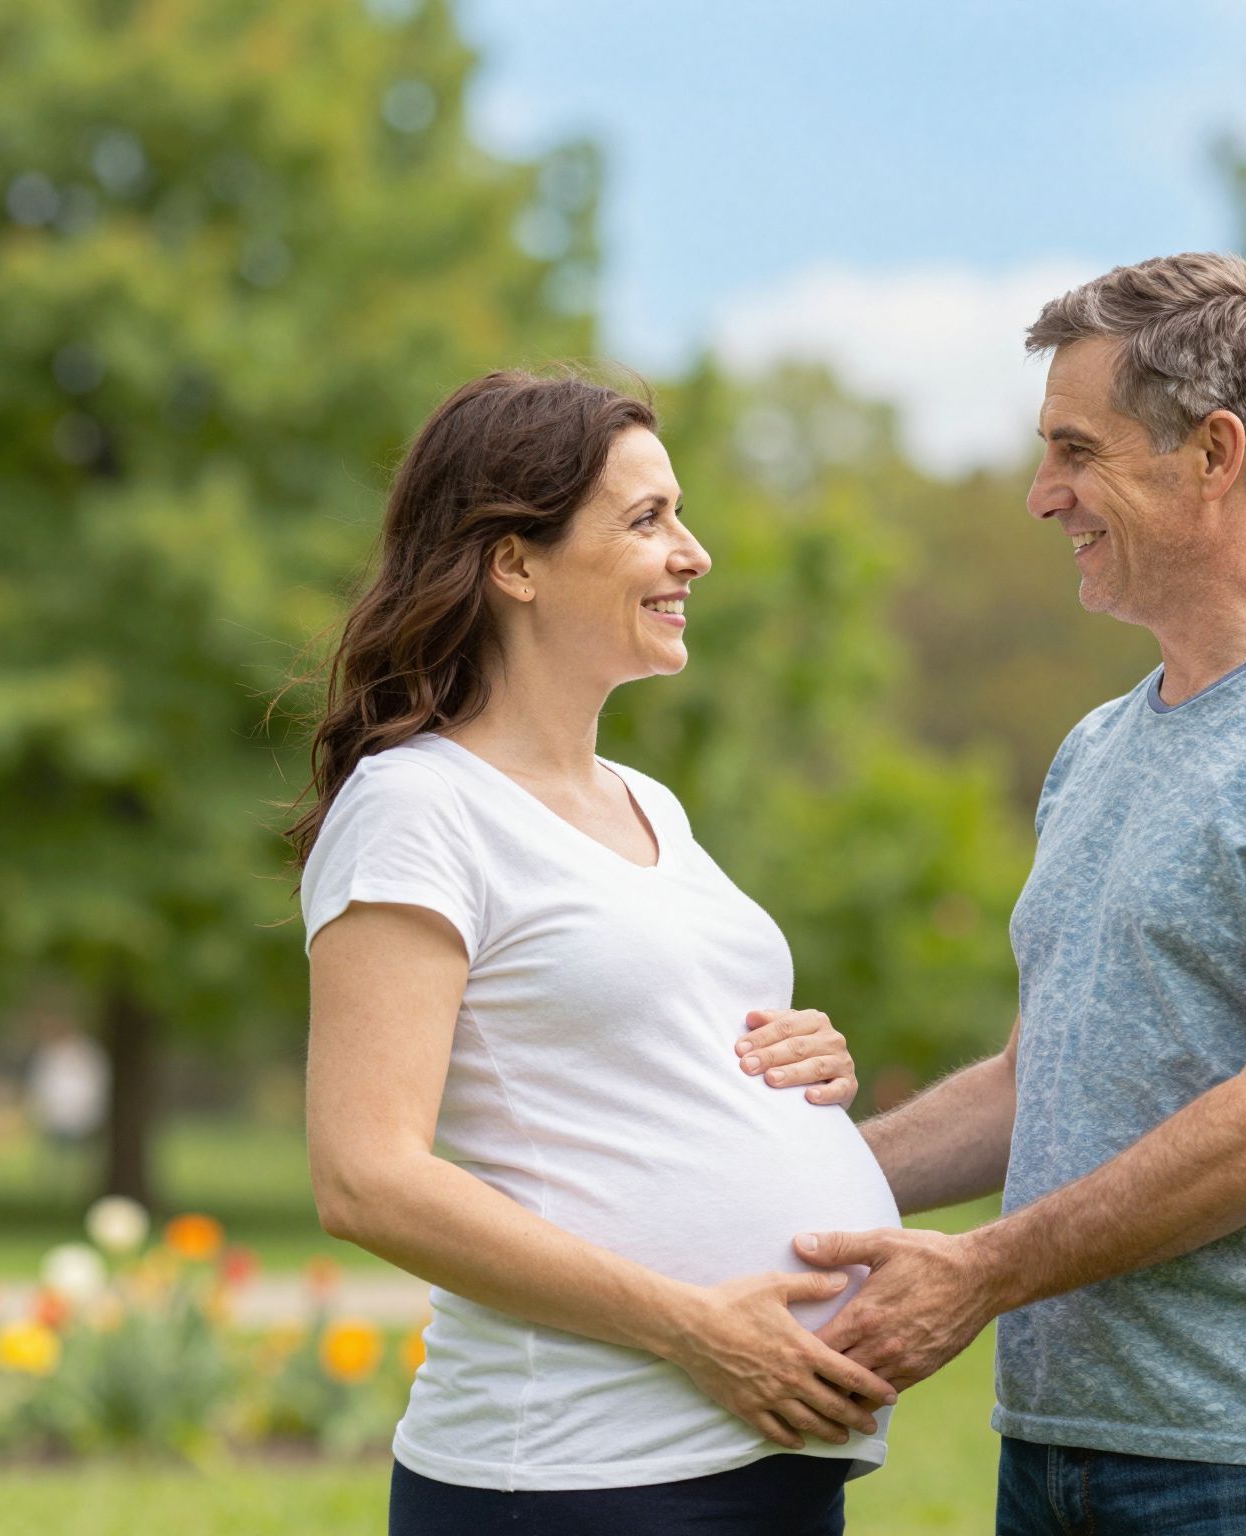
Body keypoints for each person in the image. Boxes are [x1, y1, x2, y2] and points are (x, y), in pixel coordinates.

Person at [799, 253, 1246, 1535]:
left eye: (1077, 449)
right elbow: (1036, 1082)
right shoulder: (1097, 748)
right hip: (1061, 1457)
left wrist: (980, 1274)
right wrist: (784, 1182)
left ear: (1214, 451)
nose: (1039, 494)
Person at [290, 369, 901, 1536]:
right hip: (575, 1478)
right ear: (513, 564)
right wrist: (689, 1325)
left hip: (757, 1470)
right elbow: (365, 1176)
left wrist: (800, 1063)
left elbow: (631, 1048)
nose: (694, 553)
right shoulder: (418, 808)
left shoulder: (652, 805)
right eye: (645, 520)